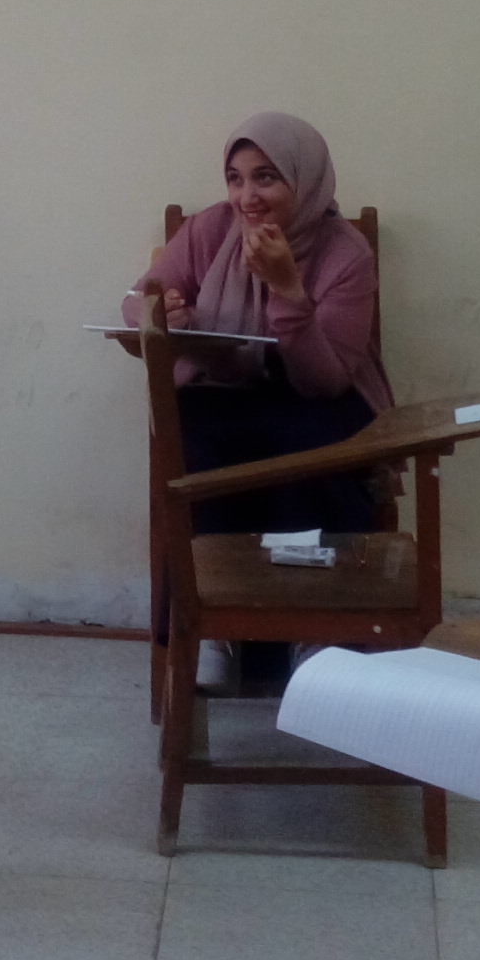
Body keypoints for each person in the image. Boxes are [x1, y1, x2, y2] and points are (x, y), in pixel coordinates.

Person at [124, 114, 389, 693]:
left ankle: (316, 628)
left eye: (266, 177)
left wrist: (287, 289)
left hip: (321, 398)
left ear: (304, 179)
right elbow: (138, 299)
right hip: (226, 390)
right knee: (197, 441)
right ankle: (208, 627)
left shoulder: (345, 253)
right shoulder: (209, 229)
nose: (247, 196)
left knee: (314, 450)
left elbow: (325, 379)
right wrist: (164, 313)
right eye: (236, 178)